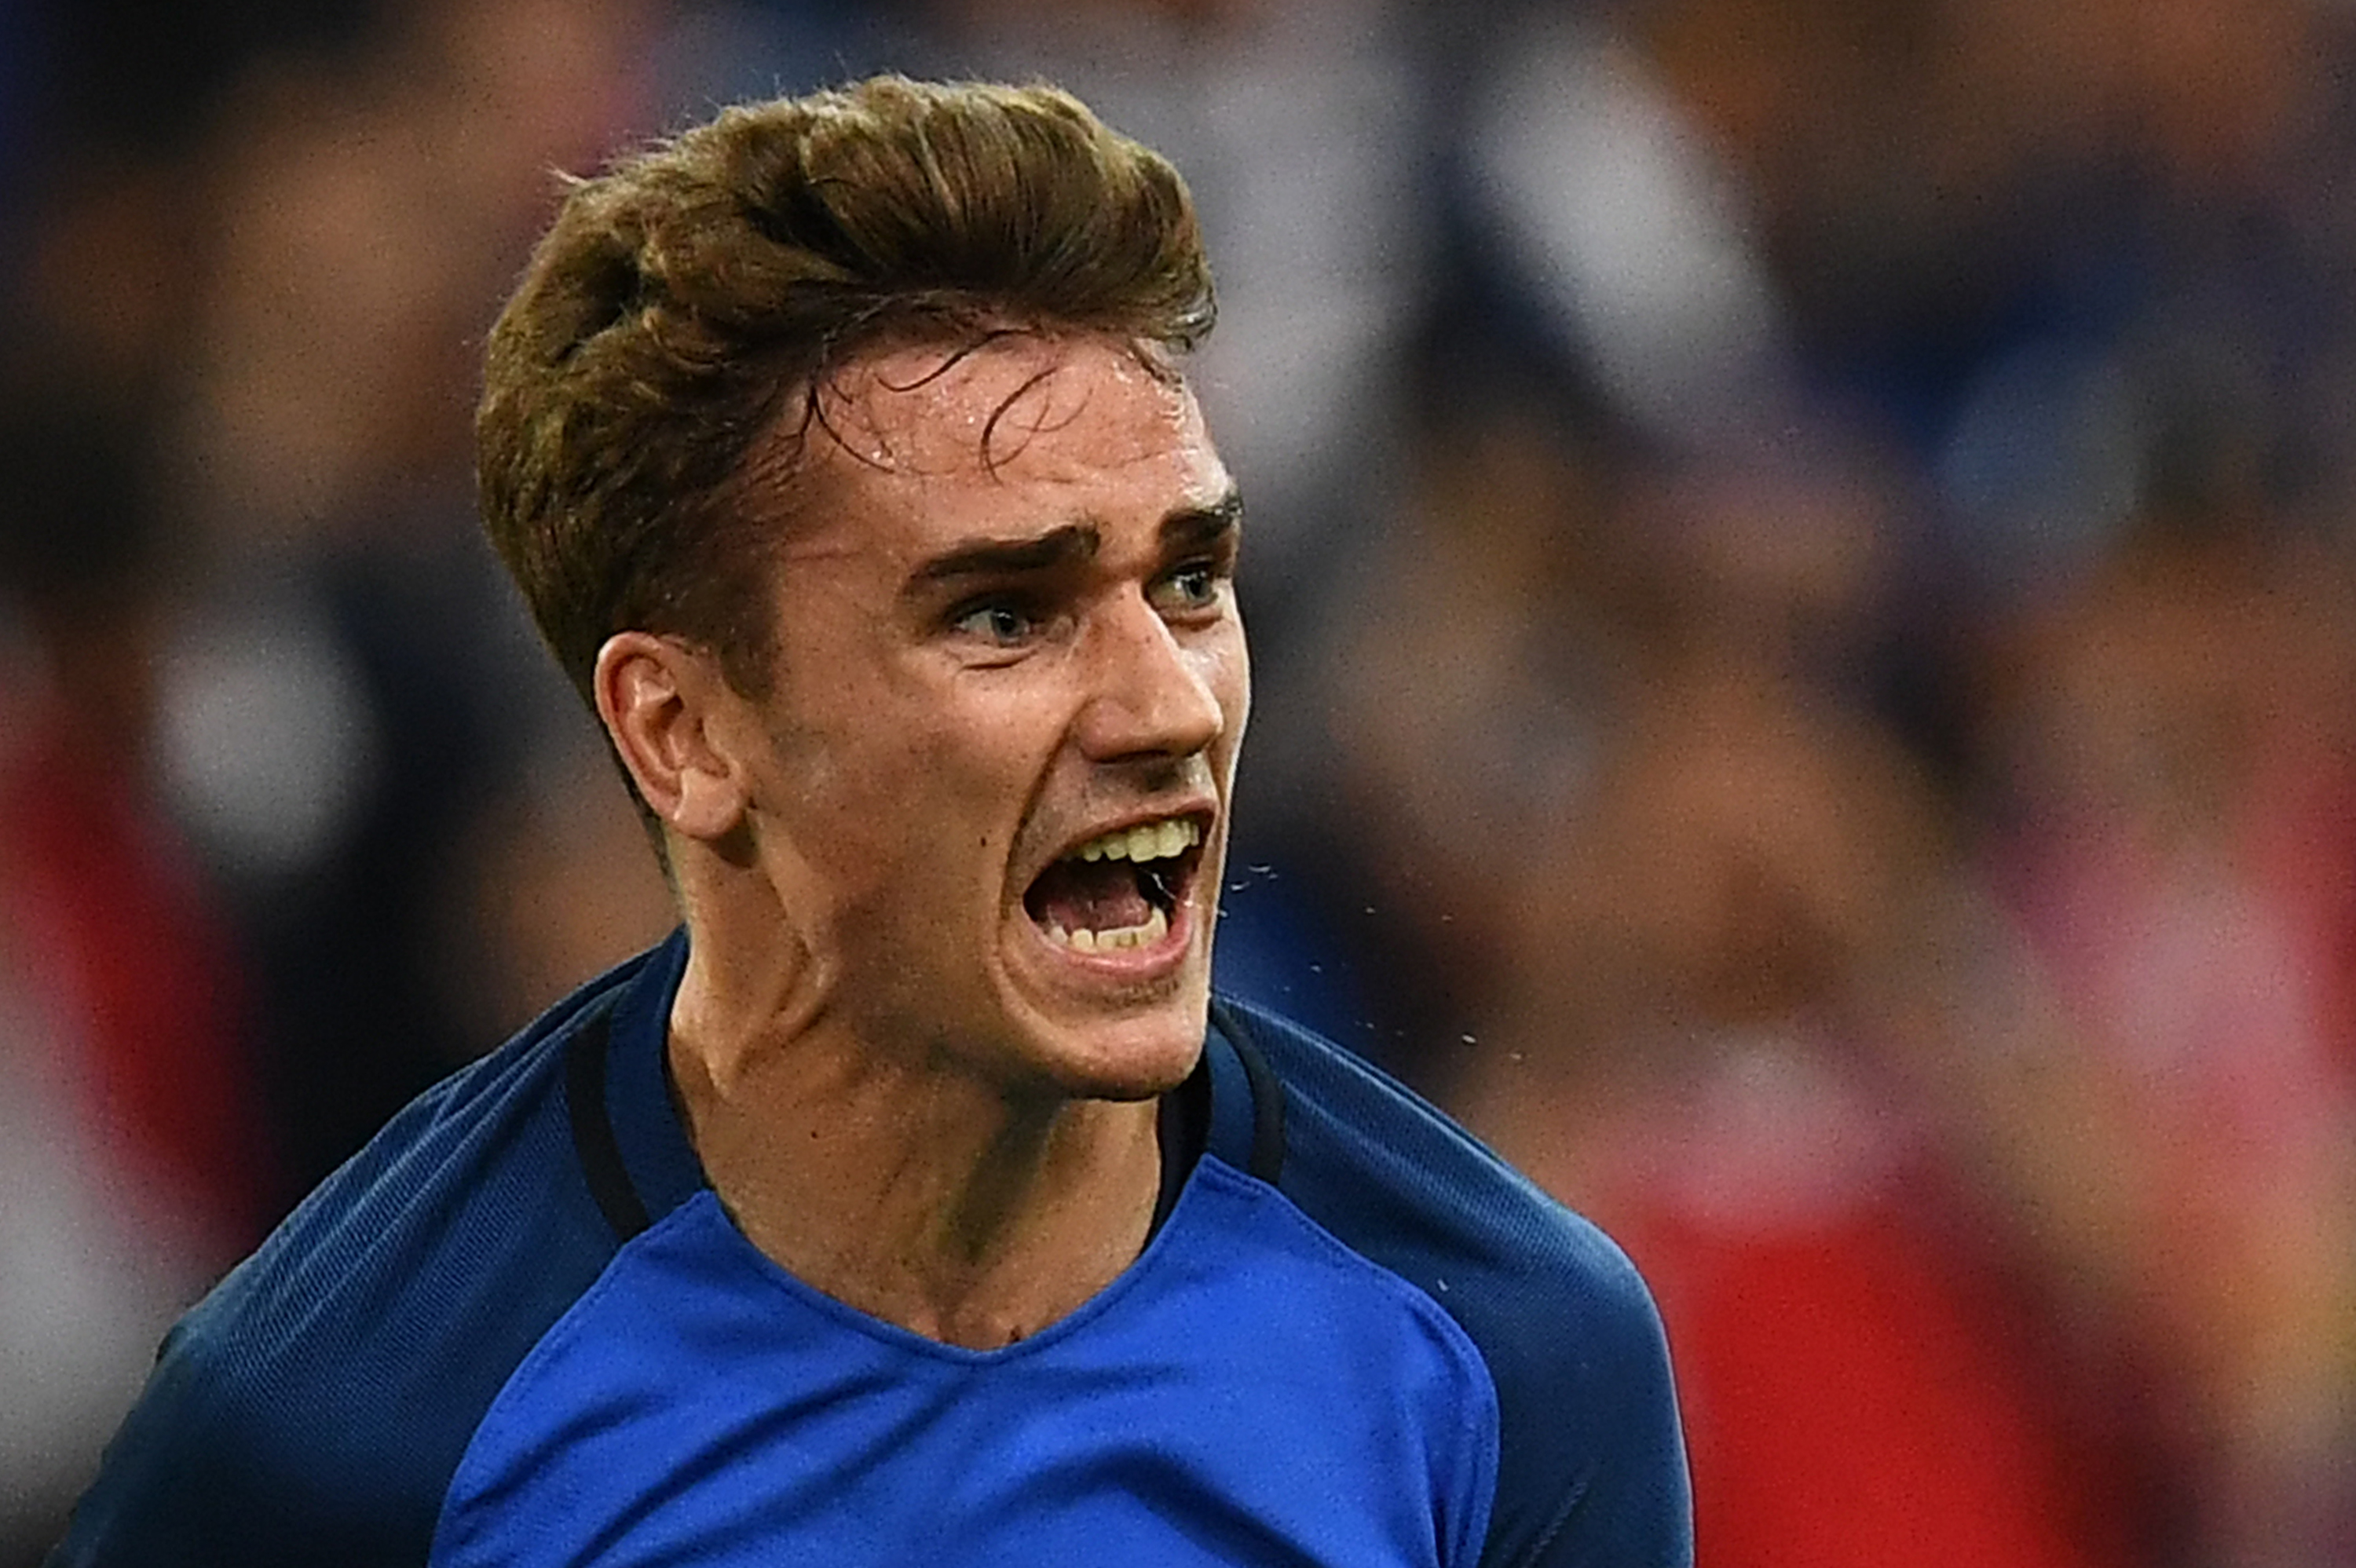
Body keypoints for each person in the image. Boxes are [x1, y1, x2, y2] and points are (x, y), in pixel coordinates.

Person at [50, 75, 1691, 1566]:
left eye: (1189, 581)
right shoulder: (340, 1428)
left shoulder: (1509, 1353)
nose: (1168, 706)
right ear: (681, 732)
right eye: (1004, 614)